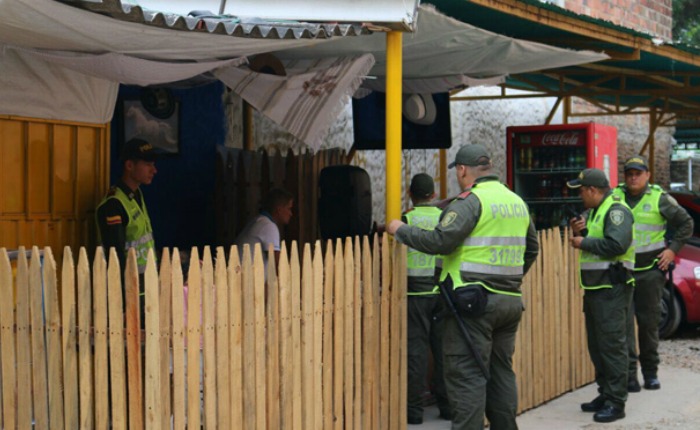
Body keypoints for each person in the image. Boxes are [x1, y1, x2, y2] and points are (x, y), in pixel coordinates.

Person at [387, 144, 539, 430]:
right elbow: (532, 250)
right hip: (509, 301)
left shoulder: (471, 201)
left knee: (467, 375)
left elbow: (439, 242)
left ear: (462, 169)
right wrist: (509, 280)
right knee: (500, 372)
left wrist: (400, 230)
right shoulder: (516, 201)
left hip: (472, 305)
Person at [613, 155, 693, 392]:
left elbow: (686, 223)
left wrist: (672, 251)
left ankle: (650, 373)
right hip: (622, 271)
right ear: (625, 177)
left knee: (648, 326)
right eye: (629, 174)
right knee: (624, 327)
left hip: (650, 272)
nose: (633, 177)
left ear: (647, 175)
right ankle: (629, 376)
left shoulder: (660, 198)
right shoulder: (615, 197)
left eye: (638, 173)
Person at [567, 168, 635, 424]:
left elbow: (617, 245)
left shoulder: (616, 211)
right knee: (598, 346)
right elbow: (600, 243)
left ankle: (617, 402)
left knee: (612, 347)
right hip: (597, 288)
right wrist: (582, 234)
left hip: (612, 288)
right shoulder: (596, 211)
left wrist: (583, 243)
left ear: (593, 190)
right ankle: (605, 393)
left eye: (582, 191)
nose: (580, 197)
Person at [403, 173, 451, 425]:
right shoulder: (444, 218)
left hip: (415, 294)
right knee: (443, 352)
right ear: (433, 195)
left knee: (417, 353)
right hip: (441, 293)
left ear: (410, 194)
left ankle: (413, 412)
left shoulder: (406, 219)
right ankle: (446, 407)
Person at [96, 137, 158, 274]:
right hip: (129, 285)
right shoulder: (114, 204)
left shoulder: (137, 194)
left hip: (146, 281)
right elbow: (115, 255)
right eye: (148, 164)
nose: (154, 170)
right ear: (129, 165)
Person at [235, 188, 294, 269]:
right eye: (289, 208)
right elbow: (279, 264)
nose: (291, 214)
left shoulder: (259, 221)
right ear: (279, 210)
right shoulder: (268, 226)